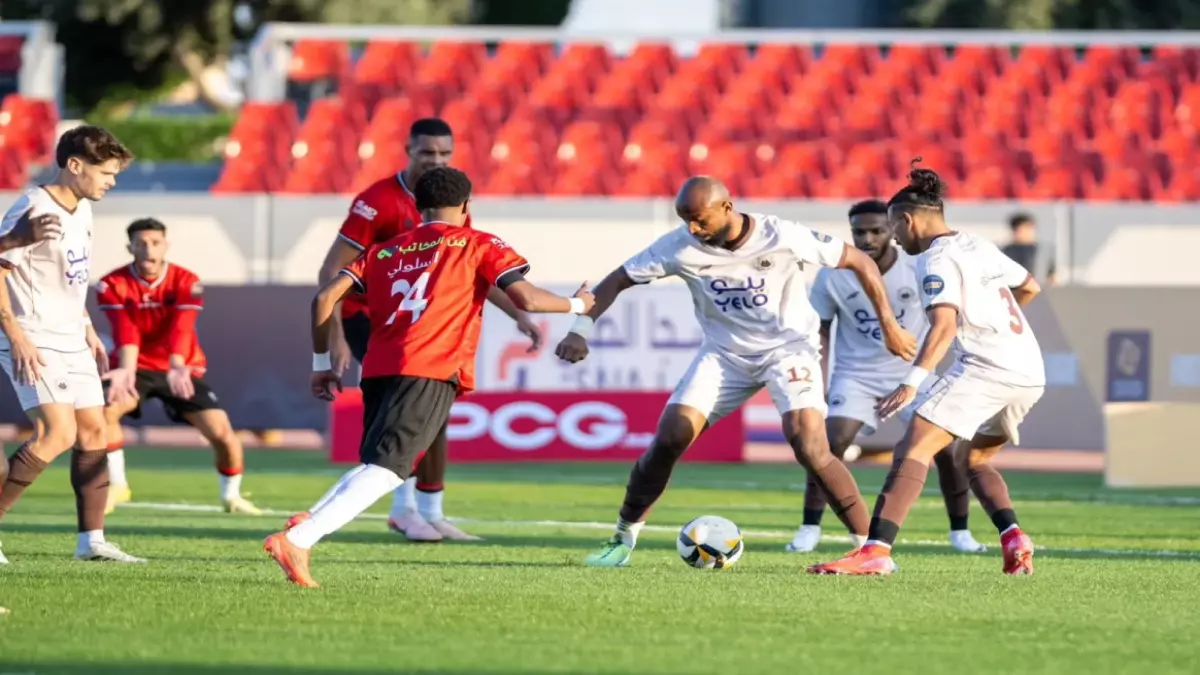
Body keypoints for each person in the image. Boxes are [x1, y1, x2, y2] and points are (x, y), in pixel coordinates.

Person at [556, 176, 918, 568]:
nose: (693, 229)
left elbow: (860, 261)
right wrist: (580, 330)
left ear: (727, 207)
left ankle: (870, 552)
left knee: (809, 444)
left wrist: (890, 326)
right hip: (724, 355)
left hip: (788, 350)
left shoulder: (781, 234)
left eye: (700, 219)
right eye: (686, 220)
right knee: (670, 437)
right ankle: (621, 541)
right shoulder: (679, 245)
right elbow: (616, 280)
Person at [264, 167, 594, 587]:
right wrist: (578, 305)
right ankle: (300, 538)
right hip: (430, 366)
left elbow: (325, 296)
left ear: (417, 206)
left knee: (378, 463)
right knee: (389, 470)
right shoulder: (477, 243)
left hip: (380, 367)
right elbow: (527, 297)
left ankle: (310, 519)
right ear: (467, 205)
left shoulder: (384, 250)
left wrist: (320, 364)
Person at [808, 162, 1043, 576]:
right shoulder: (977, 245)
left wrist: (911, 382)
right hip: (1029, 371)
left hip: (987, 370)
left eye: (893, 228)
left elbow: (944, 326)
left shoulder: (934, 260)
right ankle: (1013, 535)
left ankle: (875, 551)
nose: (895, 238)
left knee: (912, 449)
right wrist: (990, 323)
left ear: (907, 220)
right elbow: (1029, 286)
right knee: (973, 459)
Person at [318, 117, 539, 542]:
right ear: (408, 150)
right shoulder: (377, 201)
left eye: (443, 153)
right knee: (414, 414)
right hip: (370, 318)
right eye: (426, 152)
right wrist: (336, 336)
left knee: (433, 412)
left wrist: (519, 314)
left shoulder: (451, 203)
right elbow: (332, 270)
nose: (435, 160)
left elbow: (472, 268)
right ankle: (403, 510)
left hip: (419, 322)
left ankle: (430, 512)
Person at [788, 200, 985, 554]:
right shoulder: (832, 275)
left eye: (876, 230)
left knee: (948, 450)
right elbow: (820, 330)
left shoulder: (918, 267)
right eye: (859, 232)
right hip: (856, 375)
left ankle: (961, 532)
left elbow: (945, 319)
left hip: (912, 374)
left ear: (892, 230)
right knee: (827, 443)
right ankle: (809, 527)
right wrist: (817, 382)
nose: (867, 239)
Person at [0, 125, 144, 564]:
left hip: (70, 336)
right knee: (56, 432)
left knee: (95, 430)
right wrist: (16, 335)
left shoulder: (82, 209)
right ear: (75, 165)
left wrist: (85, 324)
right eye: (106, 172)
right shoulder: (33, 206)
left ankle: (91, 542)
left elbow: (69, 277)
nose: (112, 182)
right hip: (32, 336)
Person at [97, 217, 261, 515]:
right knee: (103, 412)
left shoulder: (187, 280)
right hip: (136, 366)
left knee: (222, 432)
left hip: (181, 367)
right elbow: (125, 330)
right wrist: (127, 371)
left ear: (166, 245)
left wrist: (176, 366)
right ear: (130, 247)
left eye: (155, 243)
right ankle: (117, 484)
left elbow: (181, 328)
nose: (148, 250)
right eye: (141, 243)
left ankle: (231, 496)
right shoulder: (111, 283)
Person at [1001, 212, 1056, 285]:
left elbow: (1052, 276)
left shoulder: (1044, 251)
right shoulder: (1006, 252)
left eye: (1031, 228)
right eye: (1025, 228)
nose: (1030, 232)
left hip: (1040, 288)